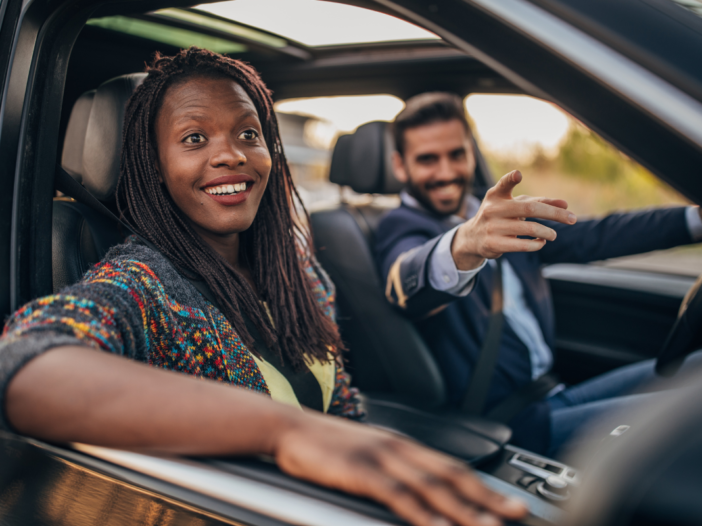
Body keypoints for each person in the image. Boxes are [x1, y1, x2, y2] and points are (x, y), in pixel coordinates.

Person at [0, 50, 527, 526]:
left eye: (248, 133)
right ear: (154, 167)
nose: (231, 155)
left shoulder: (297, 273)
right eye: (194, 138)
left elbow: (342, 409)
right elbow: (24, 364)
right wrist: (288, 432)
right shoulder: (143, 283)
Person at [375, 92, 702, 457]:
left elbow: (599, 235)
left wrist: (694, 221)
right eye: (427, 160)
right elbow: (403, 281)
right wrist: (466, 242)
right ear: (400, 166)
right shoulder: (398, 227)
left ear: (471, 152)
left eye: (456, 154)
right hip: (509, 426)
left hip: (556, 390)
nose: (447, 172)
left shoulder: (492, 210)